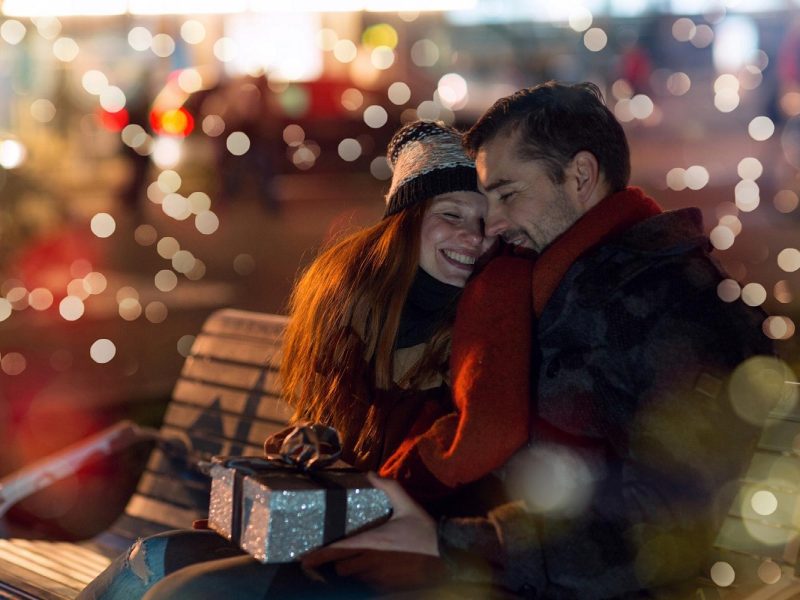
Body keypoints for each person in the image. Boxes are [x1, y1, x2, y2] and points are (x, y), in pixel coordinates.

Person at [302, 81, 778, 598]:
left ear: (580, 176)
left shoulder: (681, 309)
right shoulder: (549, 284)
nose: (494, 226)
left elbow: (661, 526)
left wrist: (448, 550)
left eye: (507, 195)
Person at [77, 119, 497, 599]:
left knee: (186, 593)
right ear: (408, 220)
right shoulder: (356, 312)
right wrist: (297, 474)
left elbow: (449, 471)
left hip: (402, 564)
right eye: (453, 215)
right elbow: (337, 447)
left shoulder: (484, 325)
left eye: (485, 223)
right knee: (149, 560)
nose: (473, 237)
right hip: (332, 536)